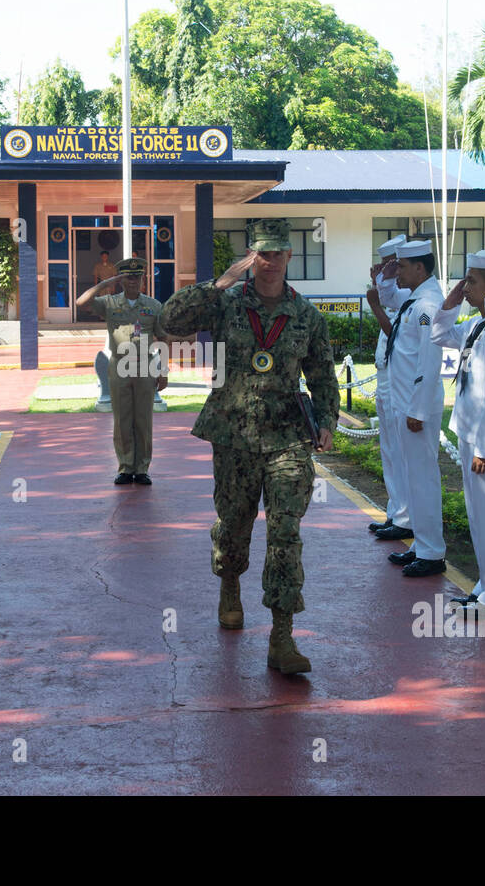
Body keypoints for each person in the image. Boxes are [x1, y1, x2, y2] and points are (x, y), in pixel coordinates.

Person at [161, 219, 338, 674]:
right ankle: (229, 585)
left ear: (289, 257)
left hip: (286, 438)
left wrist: (327, 421)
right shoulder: (225, 304)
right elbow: (171, 320)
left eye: (278, 253)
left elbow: (322, 375)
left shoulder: (306, 316)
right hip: (234, 433)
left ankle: (282, 635)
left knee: (284, 533)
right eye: (262, 253)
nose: (271, 261)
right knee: (235, 524)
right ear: (251, 256)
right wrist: (220, 281)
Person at [430, 250, 485, 615]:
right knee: (478, 516)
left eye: (472, 281)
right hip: (467, 432)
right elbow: (438, 335)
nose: (465, 287)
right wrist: (450, 304)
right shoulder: (477, 326)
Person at [367, 239, 447, 577]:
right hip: (403, 402)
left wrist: (418, 409)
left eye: (401, 266)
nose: (396, 271)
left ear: (419, 268)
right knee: (413, 477)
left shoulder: (428, 305)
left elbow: (430, 362)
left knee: (423, 477)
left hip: (416, 407)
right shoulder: (416, 301)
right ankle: (423, 544)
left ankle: (432, 552)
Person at [77, 256, 169, 485]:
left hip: (145, 366)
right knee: (122, 419)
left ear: (143, 279)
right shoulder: (109, 303)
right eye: (128, 277)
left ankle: (142, 468)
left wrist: (164, 371)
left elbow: (163, 338)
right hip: (119, 365)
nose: (132, 282)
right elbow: (80, 303)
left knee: (143, 420)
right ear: (121, 279)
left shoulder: (153, 305)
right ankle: (126, 467)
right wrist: (105, 283)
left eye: (136, 277)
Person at [366, 235, 408, 535]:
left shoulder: (406, 294)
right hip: (384, 375)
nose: (379, 269)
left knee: (400, 452)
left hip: (399, 379)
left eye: (385, 264)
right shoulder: (391, 292)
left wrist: (376, 306)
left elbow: (396, 334)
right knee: (389, 450)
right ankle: (395, 511)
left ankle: (405, 518)